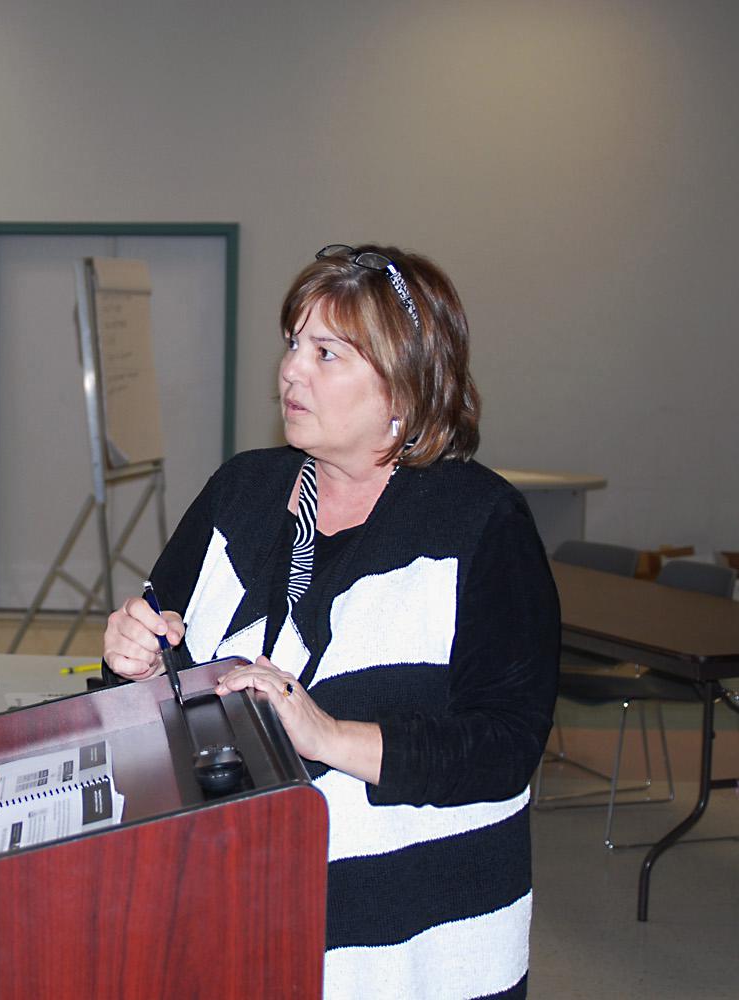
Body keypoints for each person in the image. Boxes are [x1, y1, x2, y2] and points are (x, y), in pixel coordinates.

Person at [104, 244, 558, 999]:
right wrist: (139, 660)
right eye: (292, 345)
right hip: (238, 912)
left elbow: (506, 747)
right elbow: (159, 634)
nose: (291, 371)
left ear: (404, 389)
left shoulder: (481, 523)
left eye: (326, 353)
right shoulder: (239, 491)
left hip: (412, 941)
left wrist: (329, 738)